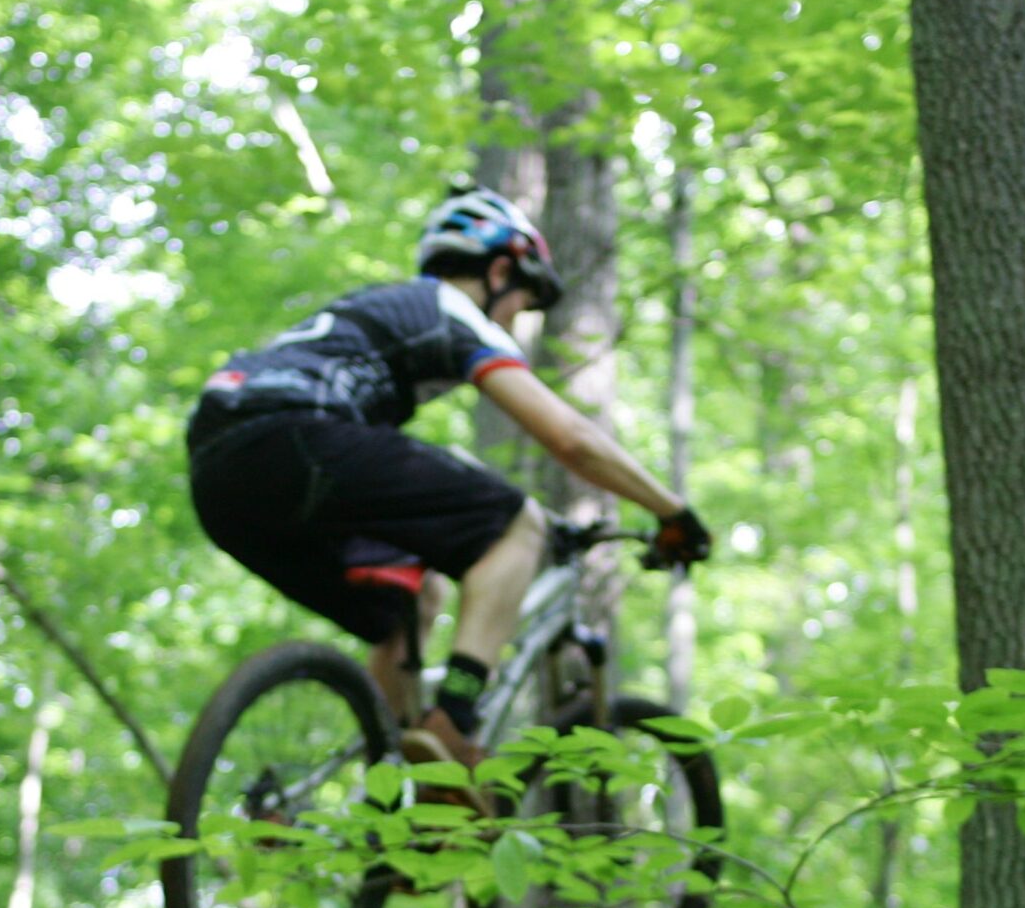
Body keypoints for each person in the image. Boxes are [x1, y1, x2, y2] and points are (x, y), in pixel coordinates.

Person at [186, 184, 710, 774]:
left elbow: (408, 480)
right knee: (517, 526)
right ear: (500, 270)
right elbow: (572, 441)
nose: (517, 320)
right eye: (523, 302)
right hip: (297, 436)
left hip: (219, 475)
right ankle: (453, 724)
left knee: (410, 597)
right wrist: (672, 511)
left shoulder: (372, 313)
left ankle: (390, 796)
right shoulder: (448, 308)